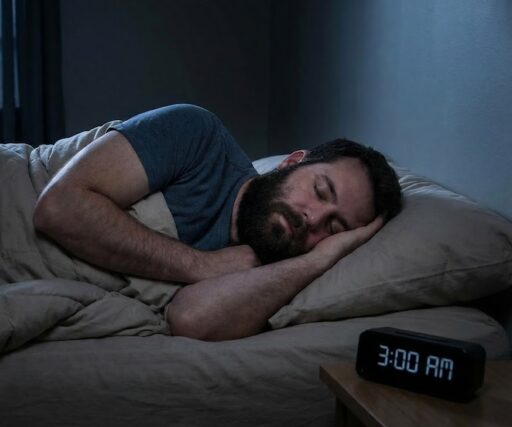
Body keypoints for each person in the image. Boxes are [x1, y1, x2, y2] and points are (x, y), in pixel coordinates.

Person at [33, 104, 402, 341]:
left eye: (334, 228)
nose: (313, 218)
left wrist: (320, 259)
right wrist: (201, 265)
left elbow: (190, 319)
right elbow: (58, 206)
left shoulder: (268, 269)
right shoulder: (199, 135)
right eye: (320, 191)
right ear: (291, 163)